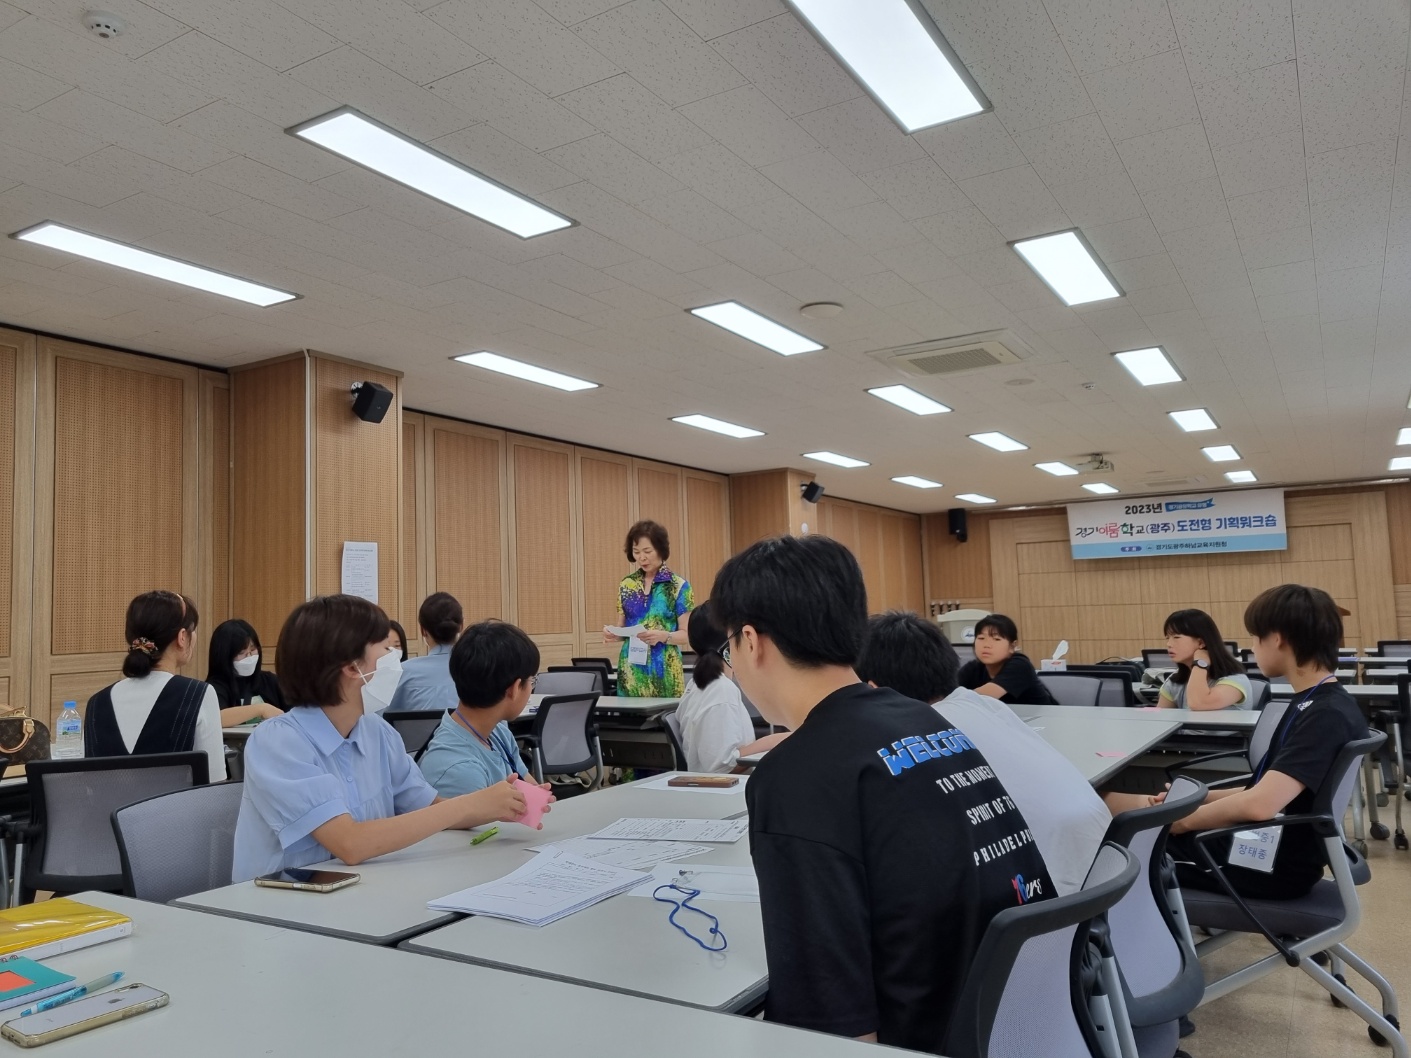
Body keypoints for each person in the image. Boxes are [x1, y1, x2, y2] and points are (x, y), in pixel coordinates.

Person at [713, 536, 1053, 1052]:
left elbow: (833, 1019)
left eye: (728, 650)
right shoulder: (923, 719)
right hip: (1023, 1021)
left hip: (924, 1039)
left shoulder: (795, 775)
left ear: (751, 641)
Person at [232, 595, 533, 882]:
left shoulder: (377, 732)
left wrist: (495, 805)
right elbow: (350, 843)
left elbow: (428, 808)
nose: (393, 660)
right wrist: (467, 806)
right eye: (386, 649)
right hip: (280, 908)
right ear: (352, 667)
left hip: (365, 893)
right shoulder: (278, 743)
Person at [857, 610, 1109, 897]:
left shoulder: (920, 731)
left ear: (873, 687)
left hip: (1053, 898)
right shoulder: (980, 704)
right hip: (1106, 871)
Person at [1164, 585, 1368, 901]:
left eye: (1256, 638)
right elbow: (1262, 791)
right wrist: (1194, 799)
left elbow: (1259, 805)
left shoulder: (1325, 714)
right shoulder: (1316, 702)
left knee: (1129, 847)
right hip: (1268, 848)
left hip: (1267, 865)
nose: (1253, 647)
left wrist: (1181, 821)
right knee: (1145, 828)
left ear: (1277, 638)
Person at [84, 591, 226, 781]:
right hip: (179, 802)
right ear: (182, 637)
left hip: (107, 803)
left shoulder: (96, 703)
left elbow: (91, 786)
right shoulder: (199, 694)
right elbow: (214, 782)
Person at [418, 620, 553, 807]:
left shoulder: (498, 731)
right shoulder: (459, 771)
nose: (532, 687)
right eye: (532, 680)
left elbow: (530, 788)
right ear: (514, 689)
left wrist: (538, 799)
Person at [674, 602, 787, 773]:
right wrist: (773, 741)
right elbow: (722, 767)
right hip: (726, 787)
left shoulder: (698, 684)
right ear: (730, 644)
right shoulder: (721, 689)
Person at [603, 520, 692, 697]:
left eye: (647, 551)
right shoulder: (627, 584)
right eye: (636, 552)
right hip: (631, 671)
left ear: (660, 549)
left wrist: (663, 636)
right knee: (629, 713)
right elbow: (623, 629)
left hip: (664, 671)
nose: (641, 558)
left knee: (665, 714)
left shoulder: (678, 586)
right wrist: (613, 634)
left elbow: (687, 635)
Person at [1157, 609, 1252, 710]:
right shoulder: (1176, 681)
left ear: (1201, 643)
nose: (1169, 644)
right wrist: (1145, 711)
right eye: (1167, 638)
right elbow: (1159, 713)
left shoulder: (1235, 680)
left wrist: (1200, 663)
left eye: (1176, 637)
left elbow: (1198, 703)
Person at [384, 592, 463, 713]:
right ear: (461, 626)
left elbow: (381, 717)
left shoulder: (402, 672)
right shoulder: (477, 671)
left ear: (423, 631)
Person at [956, 614, 1057, 705]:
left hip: (1045, 717)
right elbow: (949, 693)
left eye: (996, 639)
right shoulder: (973, 668)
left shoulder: (1020, 665)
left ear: (1012, 646)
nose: (986, 645)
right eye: (981, 638)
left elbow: (984, 696)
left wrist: (955, 698)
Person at [206, 619, 285, 727]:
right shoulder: (214, 688)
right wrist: (261, 709)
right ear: (225, 655)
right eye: (241, 652)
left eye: (253, 650)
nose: (249, 657)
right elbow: (216, 718)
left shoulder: (271, 681)